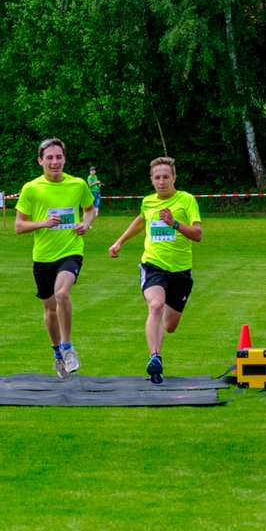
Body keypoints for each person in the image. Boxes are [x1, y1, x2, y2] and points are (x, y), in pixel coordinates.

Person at [108, 156, 203, 384]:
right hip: (153, 265)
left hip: (180, 270)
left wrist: (174, 223)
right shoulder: (148, 202)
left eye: (166, 177)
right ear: (151, 180)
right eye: (157, 177)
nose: (161, 182)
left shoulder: (187, 200)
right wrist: (120, 242)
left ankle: (157, 347)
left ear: (174, 178)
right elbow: (141, 221)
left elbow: (198, 235)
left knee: (170, 326)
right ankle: (155, 358)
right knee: (156, 305)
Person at [15, 137, 97, 377]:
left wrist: (86, 224)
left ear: (65, 159)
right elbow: (19, 226)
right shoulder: (31, 188)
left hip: (71, 251)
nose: (54, 162)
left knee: (62, 293)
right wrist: (43, 223)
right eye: (49, 157)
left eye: (58, 157)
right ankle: (57, 353)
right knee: (50, 310)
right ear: (40, 161)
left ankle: (68, 347)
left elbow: (90, 210)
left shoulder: (78, 184)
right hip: (43, 257)